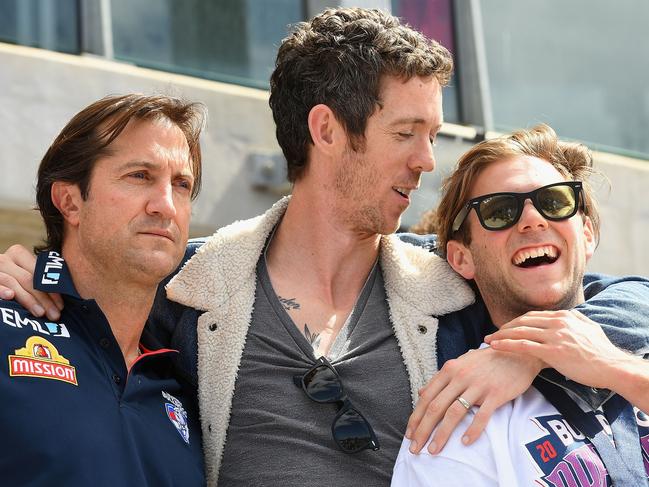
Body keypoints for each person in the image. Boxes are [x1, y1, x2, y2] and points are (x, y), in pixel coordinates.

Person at [2, 8, 649, 487]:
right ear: (327, 130)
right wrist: (33, 262)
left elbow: (615, 296)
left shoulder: (447, 288)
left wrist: (532, 350)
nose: (427, 160)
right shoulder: (193, 283)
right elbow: (93, 284)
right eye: (407, 132)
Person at [392, 125, 649, 486]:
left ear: (587, 235)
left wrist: (611, 366)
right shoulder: (459, 418)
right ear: (461, 257)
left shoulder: (638, 325)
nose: (533, 219)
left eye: (555, 201)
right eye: (499, 211)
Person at [0, 94, 205, 485]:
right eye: (140, 176)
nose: (166, 205)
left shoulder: (189, 378)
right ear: (70, 202)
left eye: (181, 185)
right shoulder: (6, 316)